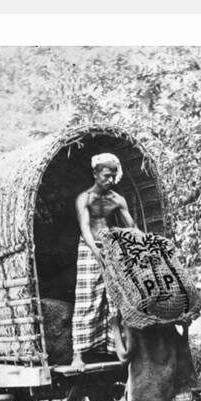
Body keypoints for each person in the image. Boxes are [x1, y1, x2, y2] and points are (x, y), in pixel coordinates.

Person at [70, 153, 137, 371]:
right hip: (89, 249)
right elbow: (84, 228)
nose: (110, 180)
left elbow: (131, 227)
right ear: (95, 173)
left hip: (111, 247)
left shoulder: (117, 199)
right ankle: (78, 355)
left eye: (113, 176)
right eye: (106, 175)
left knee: (115, 298)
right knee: (87, 298)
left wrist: (145, 243)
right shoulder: (84, 198)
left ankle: (114, 349)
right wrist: (95, 251)